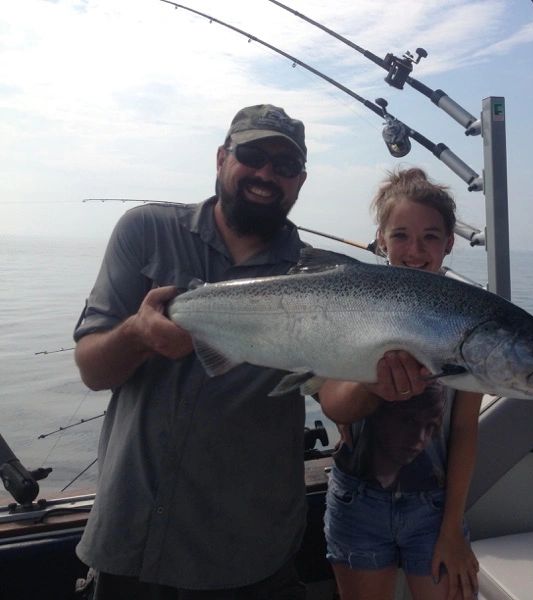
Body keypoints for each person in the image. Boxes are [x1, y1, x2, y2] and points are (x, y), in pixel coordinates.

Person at [73, 104, 311, 598]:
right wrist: (137, 334)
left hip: (247, 549)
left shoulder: (317, 276)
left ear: (300, 181)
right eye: (252, 155)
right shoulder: (146, 230)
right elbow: (93, 370)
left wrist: (385, 379)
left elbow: (336, 393)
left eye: (284, 167)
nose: (267, 174)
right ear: (222, 157)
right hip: (130, 535)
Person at [319, 168, 482, 600]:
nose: (415, 250)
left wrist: (452, 530)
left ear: (449, 242)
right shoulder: (353, 303)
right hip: (359, 501)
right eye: (401, 236)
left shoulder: (470, 317)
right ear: (381, 240)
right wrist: (371, 388)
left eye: (430, 237)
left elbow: (465, 429)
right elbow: (334, 405)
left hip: (433, 508)